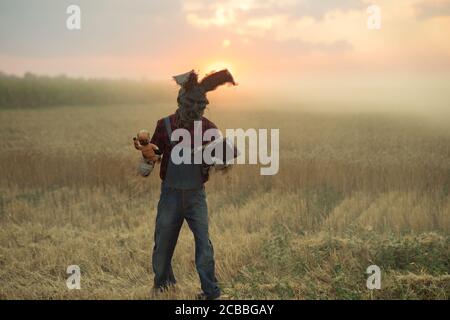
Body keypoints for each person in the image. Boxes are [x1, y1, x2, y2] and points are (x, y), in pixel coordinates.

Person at [144, 69, 236, 300]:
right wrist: (146, 162)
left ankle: (210, 292)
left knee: (204, 245)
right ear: (181, 101)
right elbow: (151, 156)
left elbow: (222, 157)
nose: (197, 109)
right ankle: (163, 285)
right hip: (170, 195)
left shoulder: (209, 128)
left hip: (196, 196)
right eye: (192, 103)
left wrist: (224, 161)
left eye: (201, 105)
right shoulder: (164, 125)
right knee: (163, 242)